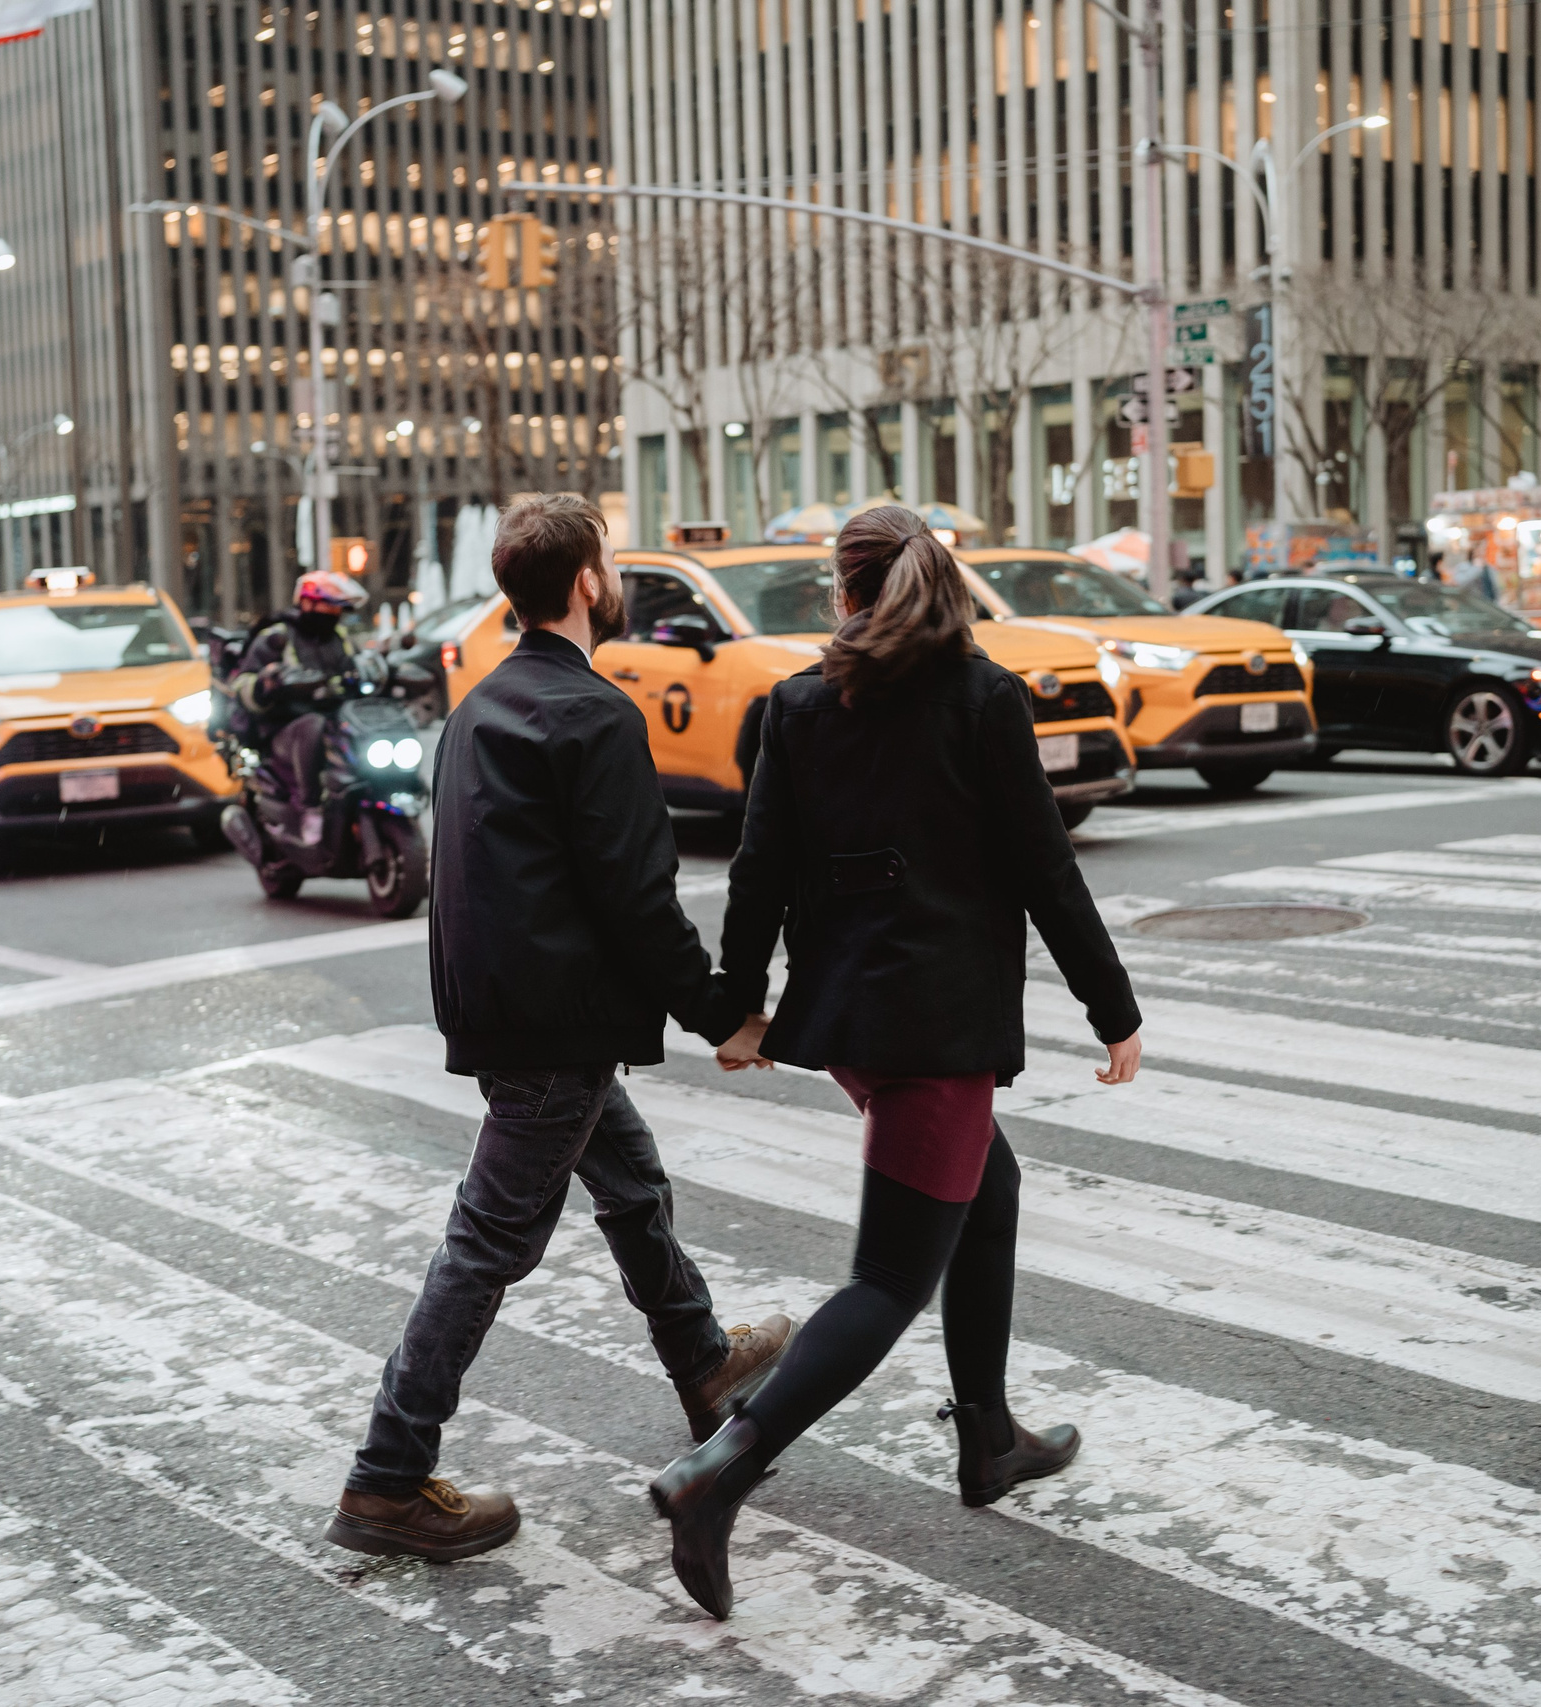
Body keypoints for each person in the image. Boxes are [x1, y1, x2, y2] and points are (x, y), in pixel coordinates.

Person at [648, 504, 1144, 1621]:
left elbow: (756, 872)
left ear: (843, 592)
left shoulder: (800, 703)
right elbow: (1042, 871)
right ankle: (718, 1471)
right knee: (888, 1279)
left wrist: (739, 1010)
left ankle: (985, 1437)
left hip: (852, 1028)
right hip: (937, 1032)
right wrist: (1113, 1007)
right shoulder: (980, 698)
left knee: (989, 1191)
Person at [326, 493, 791, 1564]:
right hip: (554, 1025)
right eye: (613, 561)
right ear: (587, 581)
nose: (617, 576)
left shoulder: (481, 707)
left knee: (629, 1180)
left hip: (508, 1013)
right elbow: (639, 901)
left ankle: (704, 1359)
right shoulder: (592, 715)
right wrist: (728, 1015)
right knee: (484, 1245)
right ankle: (387, 1477)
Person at [229, 569, 365, 844]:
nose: (334, 613)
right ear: (308, 602)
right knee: (311, 725)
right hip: (284, 730)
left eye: (338, 608)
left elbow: (359, 669)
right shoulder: (276, 637)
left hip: (334, 721)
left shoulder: (340, 638)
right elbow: (240, 683)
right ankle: (310, 808)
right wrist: (266, 684)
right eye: (329, 605)